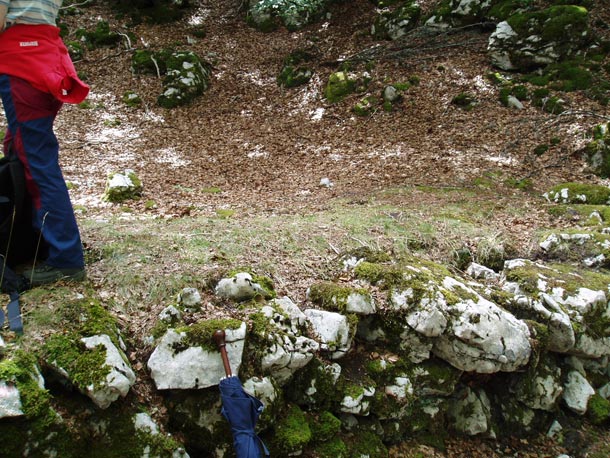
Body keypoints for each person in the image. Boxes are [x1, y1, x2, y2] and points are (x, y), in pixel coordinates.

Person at [0, 0, 89, 286]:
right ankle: (32, 238)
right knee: (18, 149)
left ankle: (66, 258)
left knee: (36, 163)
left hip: (22, 64)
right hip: (46, 60)